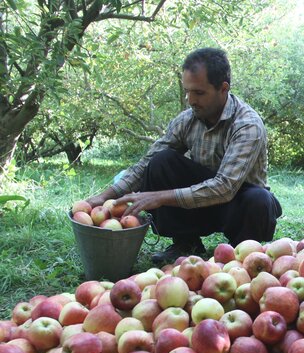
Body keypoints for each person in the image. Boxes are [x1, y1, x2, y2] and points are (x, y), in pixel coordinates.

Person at [86, 48, 282, 265]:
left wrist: (159, 197)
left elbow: (225, 187)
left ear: (223, 89)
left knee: (260, 200)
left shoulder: (247, 125)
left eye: (199, 93)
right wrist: (105, 196)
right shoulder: (187, 120)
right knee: (160, 162)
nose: (190, 100)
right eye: (187, 91)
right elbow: (147, 163)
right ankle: (185, 243)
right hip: (198, 205)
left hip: (238, 205)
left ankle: (243, 254)